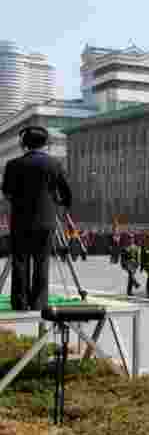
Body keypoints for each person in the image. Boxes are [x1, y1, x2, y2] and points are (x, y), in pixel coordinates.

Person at [0, 126, 72, 311]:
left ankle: (20, 302)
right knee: (42, 261)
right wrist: (58, 201)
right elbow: (66, 192)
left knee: (20, 261)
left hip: (21, 220)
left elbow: (7, 193)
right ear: (46, 143)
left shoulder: (12, 164)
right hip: (46, 220)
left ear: (23, 143)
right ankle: (39, 303)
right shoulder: (54, 164)